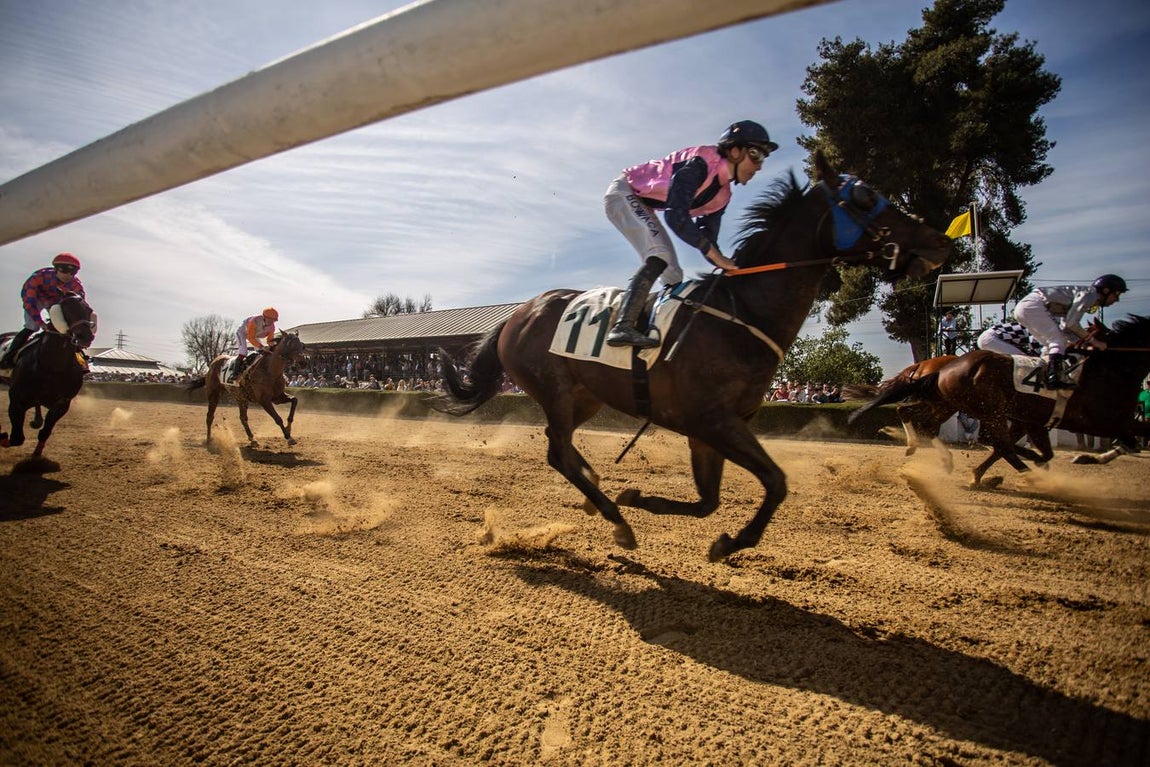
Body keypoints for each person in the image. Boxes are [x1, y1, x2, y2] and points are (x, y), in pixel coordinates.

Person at [603, 119, 779, 347]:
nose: (759, 166)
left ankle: (650, 324)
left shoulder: (723, 196)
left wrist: (730, 264)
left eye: (763, 158)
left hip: (641, 201)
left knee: (673, 274)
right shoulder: (703, 161)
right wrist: (715, 256)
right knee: (660, 256)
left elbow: (708, 241)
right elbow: (676, 217)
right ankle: (622, 326)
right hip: (623, 191)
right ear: (734, 151)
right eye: (756, 155)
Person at [1012, 274, 1126, 390]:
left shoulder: (1085, 295)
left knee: (1051, 345)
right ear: (1106, 290)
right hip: (1032, 306)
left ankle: (1043, 377)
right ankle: (1054, 379)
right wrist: (1094, 341)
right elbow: (1072, 324)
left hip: (1024, 308)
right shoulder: (1090, 296)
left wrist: (1083, 344)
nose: (1117, 299)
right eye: (1116, 294)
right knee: (1058, 341)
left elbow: (1065, 327)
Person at [1, 253, 87, 371]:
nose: (68, 275)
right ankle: (9, 356)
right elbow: (29, 303)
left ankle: (80, 360)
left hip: (55, 302)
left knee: (68, 327)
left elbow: (79, 305)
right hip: (36, 300)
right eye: (64, 271)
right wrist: (40, 322)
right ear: (56, 269)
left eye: (73, 273)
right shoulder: (37, 278)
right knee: (32, 326)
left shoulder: (76, 285)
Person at [235, 307, 279, 371]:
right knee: (243, 352)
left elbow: (270, 340)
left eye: (273, 320)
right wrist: (261, 346)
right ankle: (235, 372)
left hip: (255, 335)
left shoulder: (272, 327)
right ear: (264, 317)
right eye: (269, 320)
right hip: (242, 332)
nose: (271, 322)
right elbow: (250, 338)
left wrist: (272, 345)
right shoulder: (254, 321)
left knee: (260, 352)